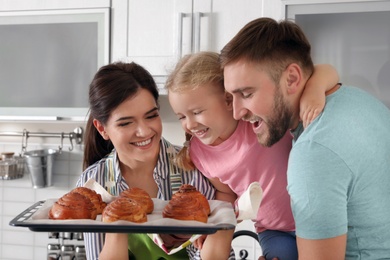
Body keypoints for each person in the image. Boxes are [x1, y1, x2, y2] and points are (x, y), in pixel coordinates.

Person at [220, 17, 390, 260]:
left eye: (246, 94)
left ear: (291, 79)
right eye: (231, 97)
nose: (237, 112)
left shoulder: (313, 153)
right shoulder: (361, 101)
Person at [166, 51, 339, 260]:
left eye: (197, 112)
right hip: (273, 231)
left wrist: (315, 89)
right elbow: (226, 194)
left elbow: (326, 71)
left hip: (316, 219)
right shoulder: (198, 153)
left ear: (229, 100)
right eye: (182, 117)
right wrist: (211, 225)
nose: (190, 124)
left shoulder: (259, 119)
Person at [76, 61, 221, 260]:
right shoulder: (93, 184)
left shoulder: (194, 168)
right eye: (126, 122)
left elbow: (214, 252)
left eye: (151, 116)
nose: (144, 131)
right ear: (102, 129)